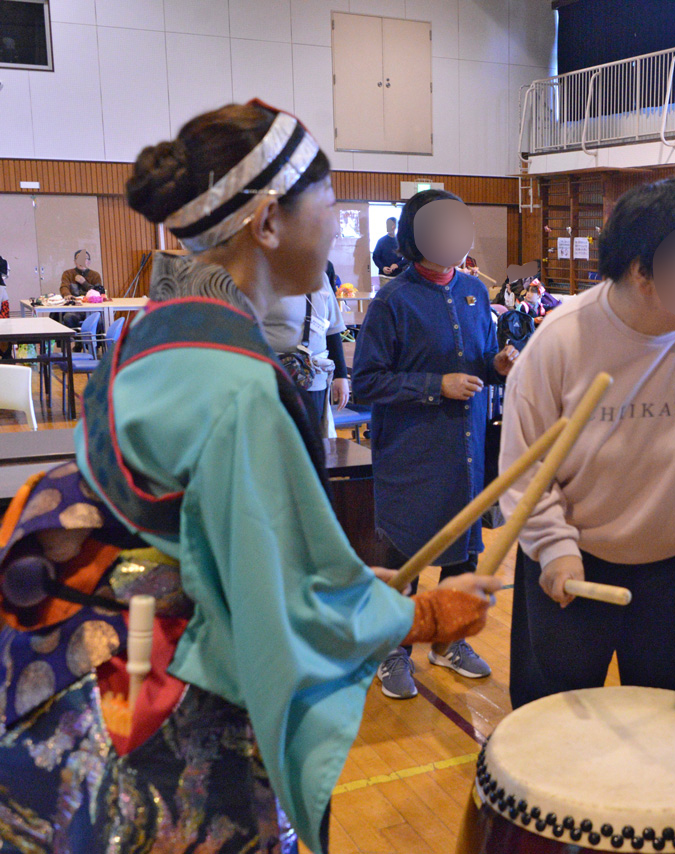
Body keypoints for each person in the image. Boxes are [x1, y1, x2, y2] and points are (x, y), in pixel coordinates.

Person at [0, 101, 500, 854]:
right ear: (268, 223)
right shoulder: (236, 382)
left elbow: (201, 524)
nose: (336, 226)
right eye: (328, 204)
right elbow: (287, 602)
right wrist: (420, 618)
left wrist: (334, 567)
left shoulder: (160, 328)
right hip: (165, 680)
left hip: (100, 647)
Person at [500, 177, 675, 709]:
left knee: (668, 718)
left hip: (671, 568)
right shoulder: (561, 339)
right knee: (554, 720)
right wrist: (554, 549)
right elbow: (526, 469)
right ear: (643, 270)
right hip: (574, 560)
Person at [353, 188, 518, 697]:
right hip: (411, 452)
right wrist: (434, 386)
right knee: (405, 557)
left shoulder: (473, 291)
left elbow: (479, 360)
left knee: (462, 552)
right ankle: (393, 650)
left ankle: (448, 642)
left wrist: (496, 366)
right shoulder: (392, 301)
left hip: (465, 450)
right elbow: (366, 385)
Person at [261, 276, 350, 432]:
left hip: (316, 376)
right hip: (276, 377)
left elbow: (332, 330)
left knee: (312, 439)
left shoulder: (320, 276)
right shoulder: (263, 275)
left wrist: (341, 375)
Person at [56, 249, 102, 332]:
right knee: (68, 317)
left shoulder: (95, 275)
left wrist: (84, 283)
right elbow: (64, 286)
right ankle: (77, 342)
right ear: (75, 262)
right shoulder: (68, 273)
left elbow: (98, 293)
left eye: (85, 259)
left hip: (91, 308)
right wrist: (67, 295)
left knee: (99, 320)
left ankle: (92, 344)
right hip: (75, 308)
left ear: (89, 262)